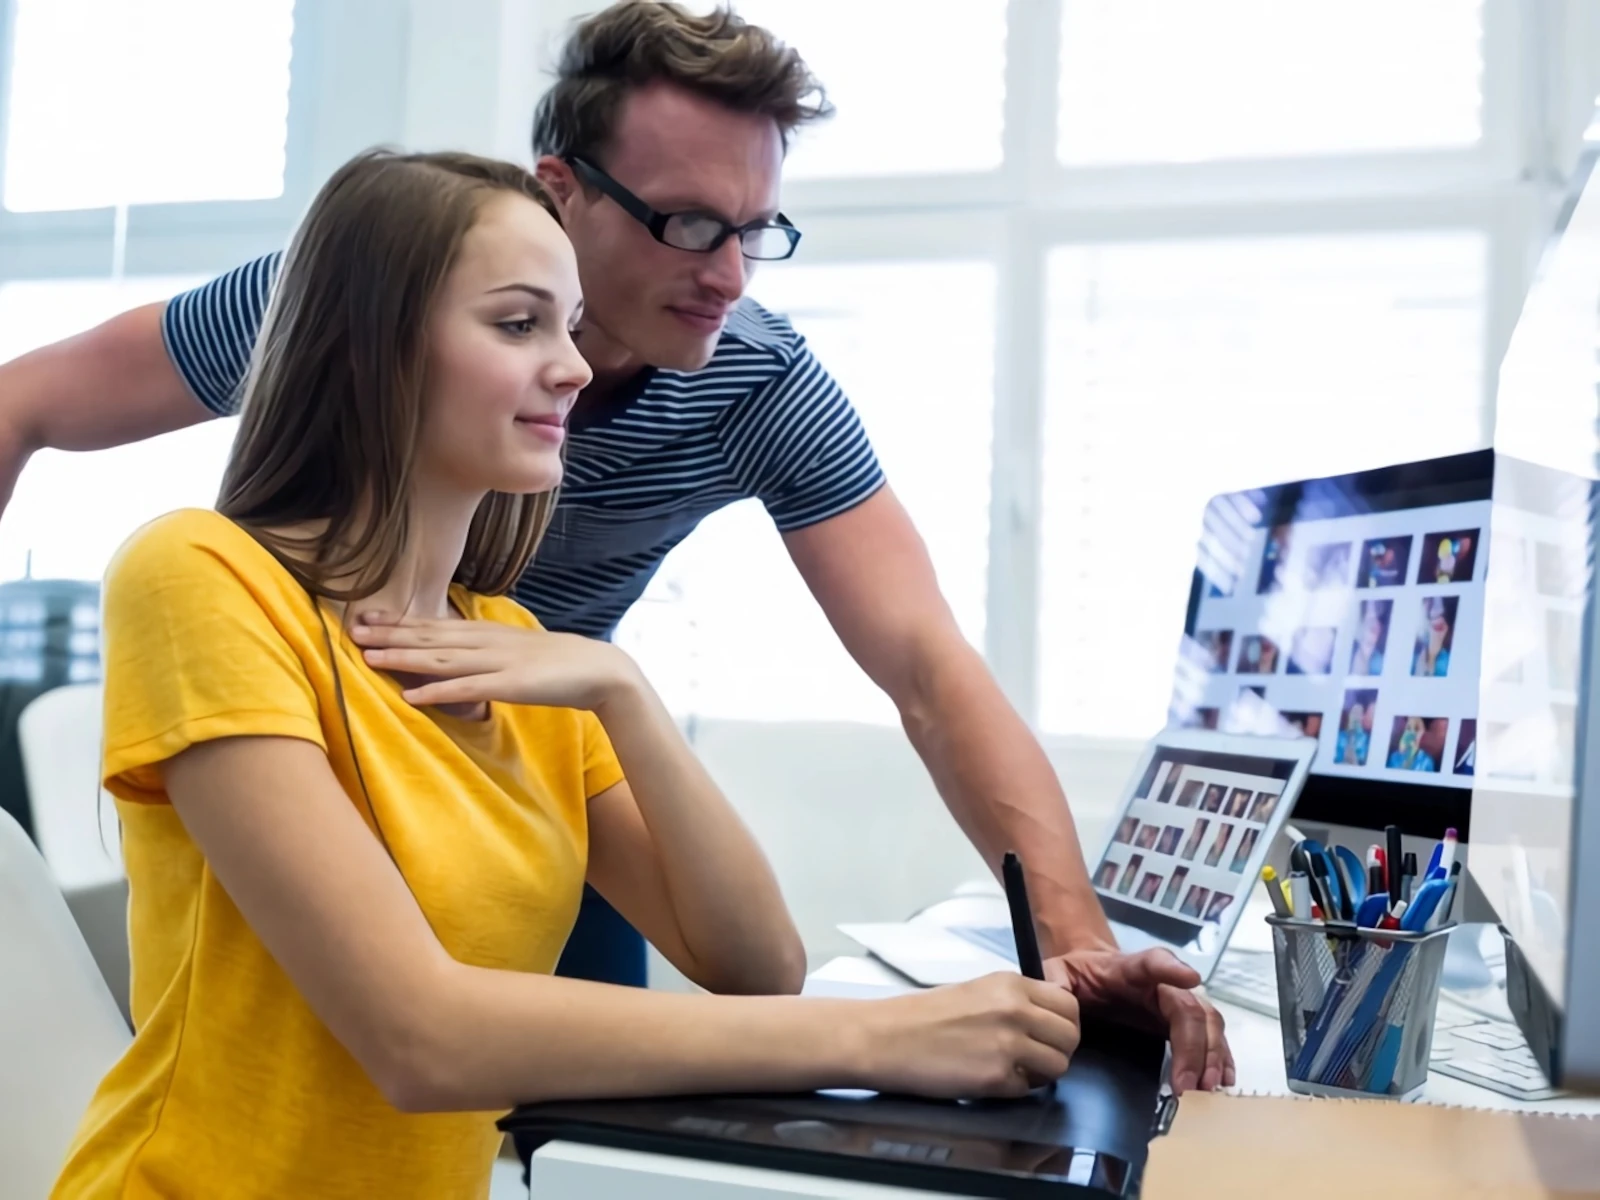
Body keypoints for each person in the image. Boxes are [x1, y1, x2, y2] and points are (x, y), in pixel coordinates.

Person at [0, 1, 1228, 1089]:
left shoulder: (747, 395)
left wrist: (1072, 951)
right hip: (313, 725)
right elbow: (28, 403)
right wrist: (879, 1040)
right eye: (691, 224)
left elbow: (921, 668)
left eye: (759, 228)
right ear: (561, 188)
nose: (731, 275)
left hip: (523, 732)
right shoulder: (342, 310)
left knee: (574, 1107)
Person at [49, 148, 1085, 1200]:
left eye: (569, 324)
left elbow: (752, 967)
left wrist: (619, 690)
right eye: (517, 324)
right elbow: (419, 1040)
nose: (575, 365)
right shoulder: (203, 575)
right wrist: (870, 1041)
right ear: (372, 351)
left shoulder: (521, 652)